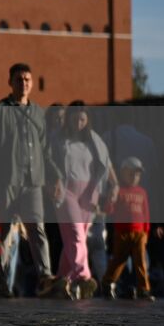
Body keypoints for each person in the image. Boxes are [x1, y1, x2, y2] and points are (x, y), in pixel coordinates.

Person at [0, 62, 65, 298]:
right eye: (19, 79)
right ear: (10, 82)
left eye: (27, 80)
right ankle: (0, 281)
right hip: (6, 181)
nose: (24, 83)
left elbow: (45, 150)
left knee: (37, 229)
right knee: (5, 233)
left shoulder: (38, 113)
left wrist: (55, 175)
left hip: (33, 182)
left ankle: (45, 277)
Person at [52, 101, 115, 299]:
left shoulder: (94, 140)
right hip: (66, 192)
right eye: (75, 119)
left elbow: (106, 165)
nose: (78, 123)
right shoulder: (58, 139)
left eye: (82, 119)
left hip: (89, 193)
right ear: (68, 119)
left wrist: (111, 187)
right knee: (76, 234)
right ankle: (84, 276)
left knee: (74, 239)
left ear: (87, 121)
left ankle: (62, 279)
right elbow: (48, 162)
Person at [102, 157, 155, 301]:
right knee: (119, 260)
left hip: (140, 233)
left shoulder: (142, 192)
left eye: (137, 174)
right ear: (123, 172)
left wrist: (146, 230)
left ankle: (144, 289)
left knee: (141, 262)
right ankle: (107, 283)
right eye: (131, 173)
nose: (134, 177)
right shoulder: (119, 191)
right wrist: (108, 202)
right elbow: (110, 209)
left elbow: (146, 213)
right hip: (122, 232)